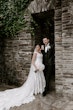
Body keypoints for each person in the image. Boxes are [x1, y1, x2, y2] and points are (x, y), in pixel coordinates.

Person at [0, 44, 46, 110]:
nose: (37, 47)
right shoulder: (35, 52)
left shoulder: (40, 52)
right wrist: (36, 68)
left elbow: (42, 52)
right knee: (34, 79)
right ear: (35, 47)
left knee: (39, 78)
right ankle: (34, 89)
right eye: (36, 47)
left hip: (40, 67)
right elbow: (33, 61)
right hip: (36, 67)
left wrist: (42, 48)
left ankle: (38, 89)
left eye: (38, 47)